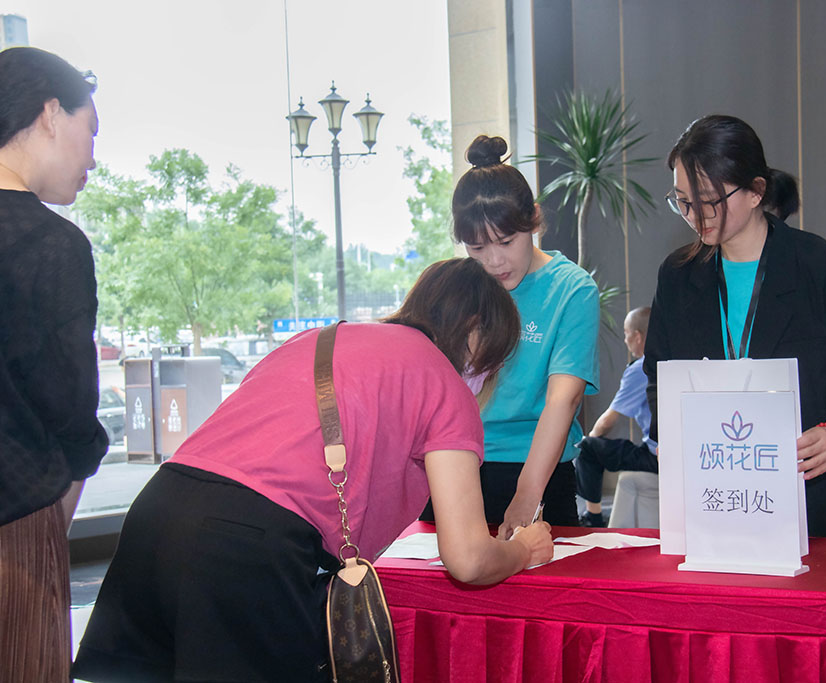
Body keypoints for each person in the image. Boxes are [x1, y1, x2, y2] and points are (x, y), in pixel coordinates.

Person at [72, 258, 554, 683]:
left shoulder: (321, 339)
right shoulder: (443, 381)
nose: (486, 375)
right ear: (475, 331)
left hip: (157, 512)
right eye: (492, 360)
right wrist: (522, 551)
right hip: (245, 545)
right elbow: (468, 558)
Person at [645, 114, 826, 539]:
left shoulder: (820, 266)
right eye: (681, 200)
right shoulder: (678, 276)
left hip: (814, 496)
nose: (695, 214)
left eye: (709, 199)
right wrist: (669, 442)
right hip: (715, 498)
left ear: (755, 192)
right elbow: (659, 379)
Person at [0, 47, 107, 683]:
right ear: (48, 114)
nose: (92, 156)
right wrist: (54, 507)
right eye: (89, 130)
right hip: (15, 524)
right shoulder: (49, 243)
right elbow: (70, 406)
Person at [451, 134, 600, 539]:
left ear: (534, 220)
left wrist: (528, 493)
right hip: (459, 471)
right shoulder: (461, 288)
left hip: (541, 471)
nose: (494, 261)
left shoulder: (571, 289)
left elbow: (563, 399)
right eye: (477, 248)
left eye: (505, 242)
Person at [575, 306, 659, 527]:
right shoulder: (667, 362)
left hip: (654, 458)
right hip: (671, 455)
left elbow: (607, 421)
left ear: (638, 336)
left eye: (626, 333)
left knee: (586, 448)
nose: (625, 340)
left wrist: (590, 441)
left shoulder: (641, 368)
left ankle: (593, 518)